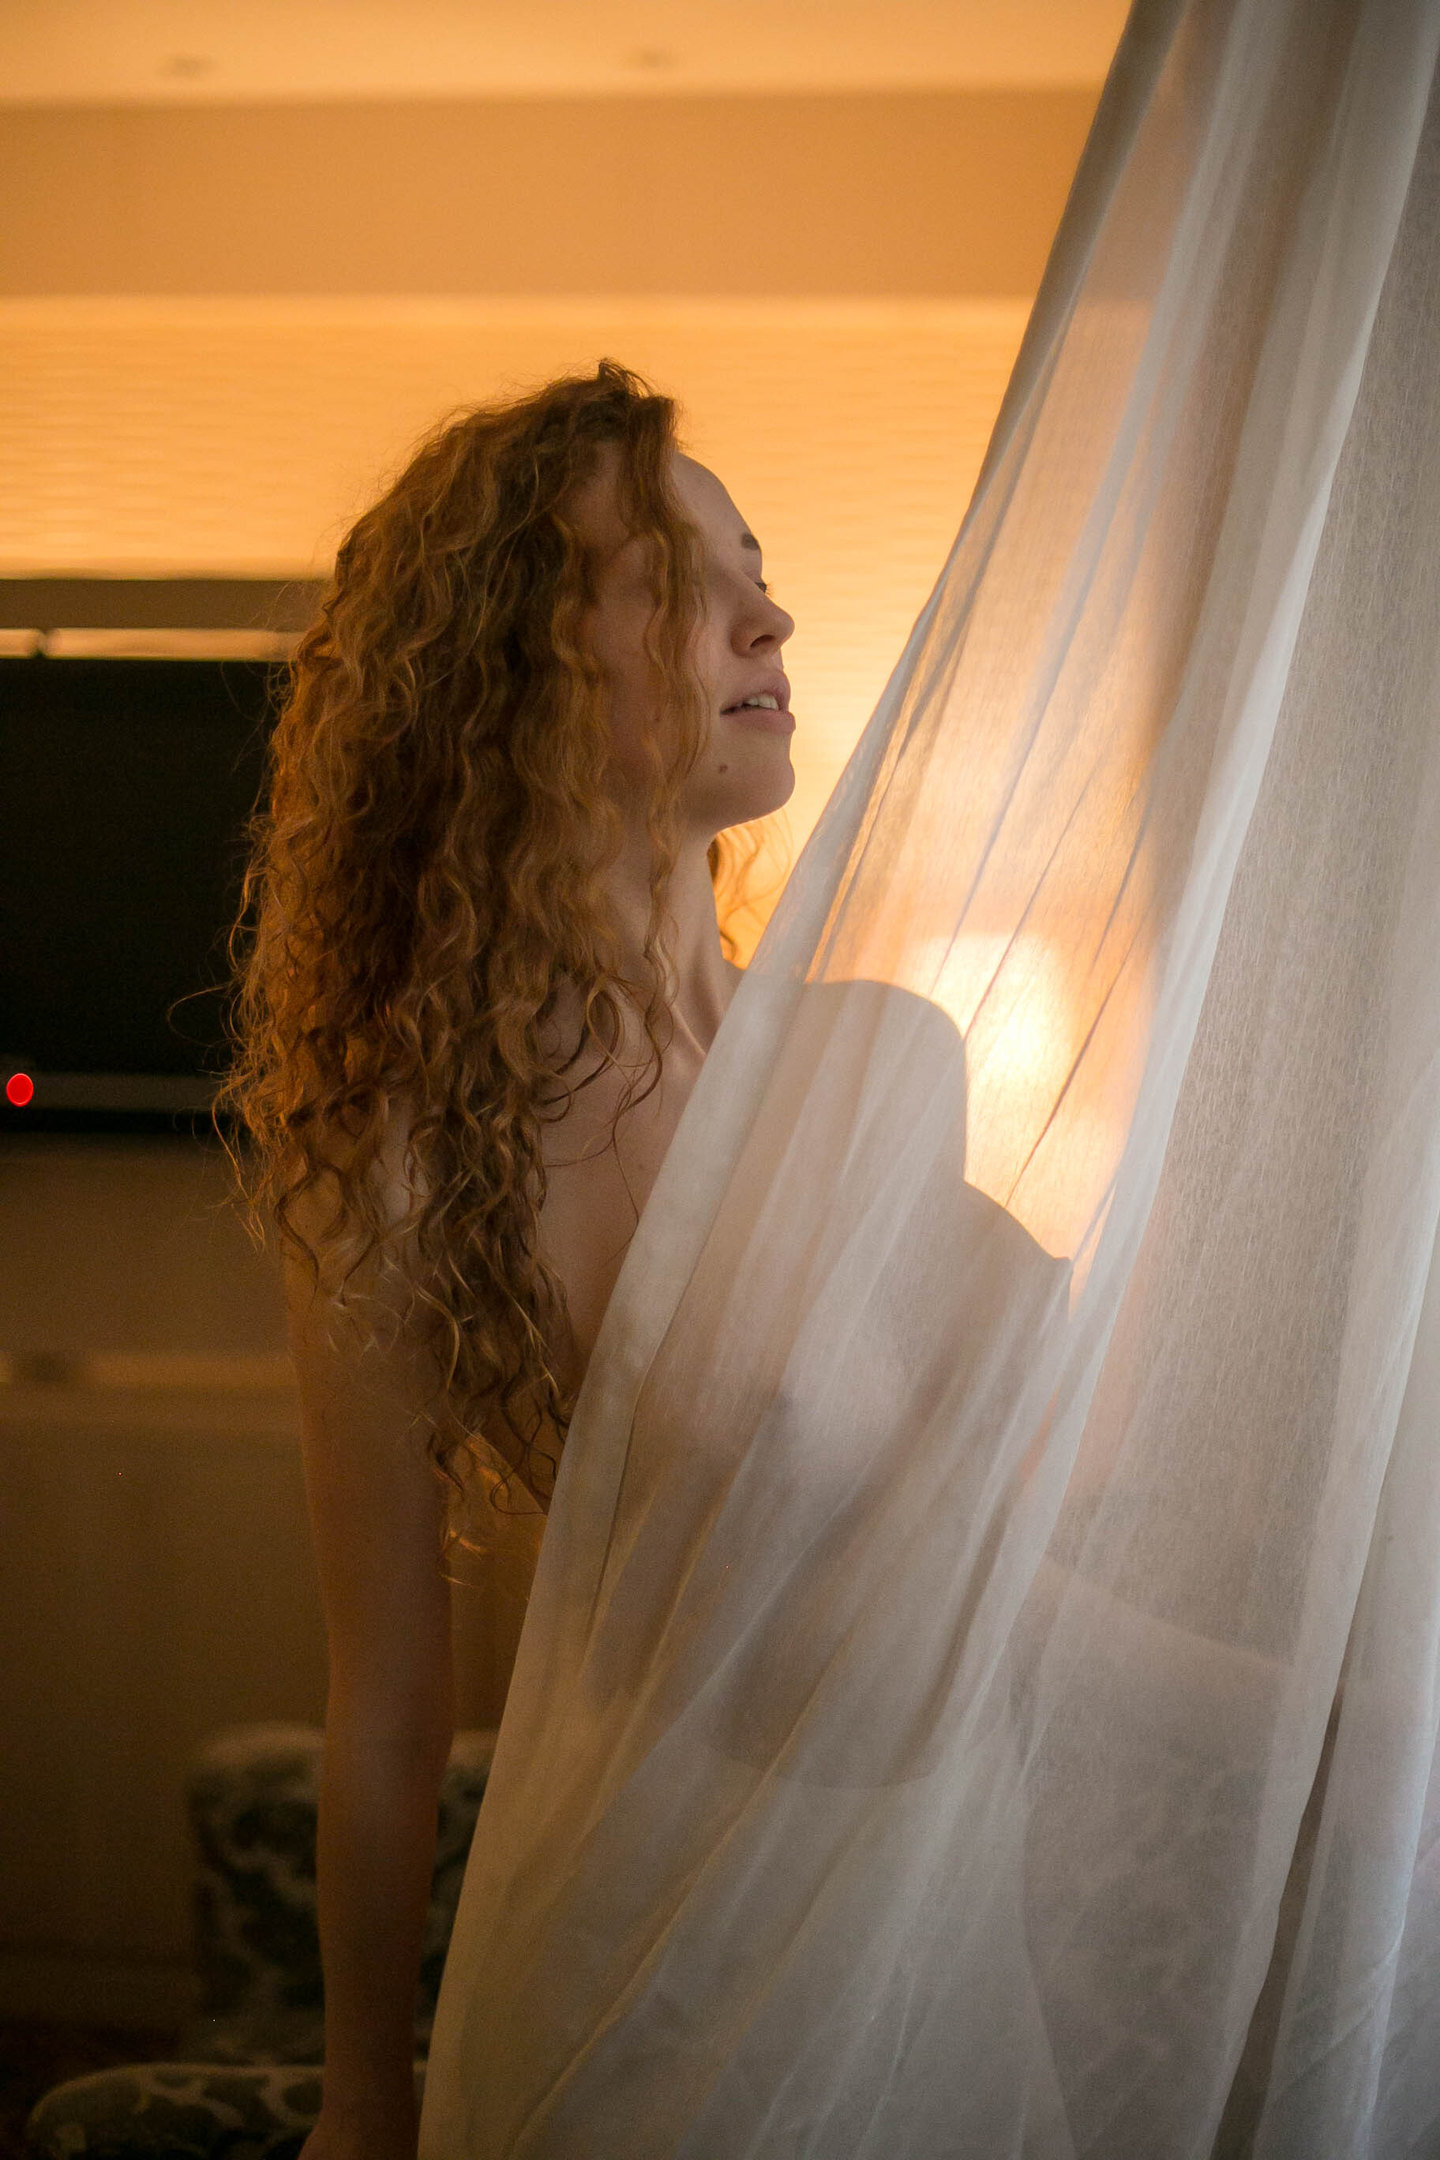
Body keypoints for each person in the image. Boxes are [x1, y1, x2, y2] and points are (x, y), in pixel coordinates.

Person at [221, 360, 797, 2160]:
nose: (769, 618)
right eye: (681, 580)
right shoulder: (405, 1158)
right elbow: (390, 1709)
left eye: (761, 567)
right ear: (520, 674)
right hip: (670, 1959)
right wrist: (366, 2101)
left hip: (966, 1889)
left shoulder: (882, 1057)